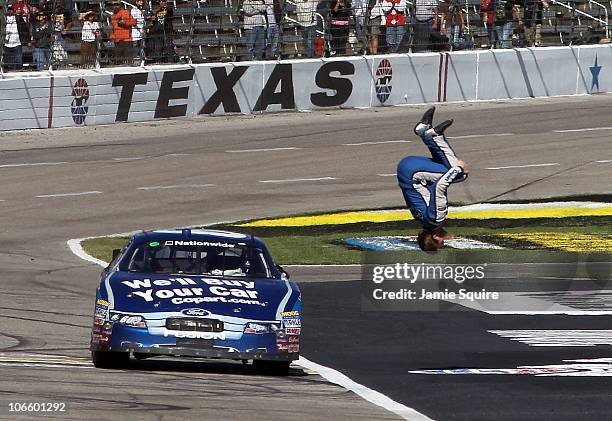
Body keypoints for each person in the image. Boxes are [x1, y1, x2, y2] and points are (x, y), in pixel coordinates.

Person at [396, 107, 470, 252]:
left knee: (460, 174)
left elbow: (439, 186)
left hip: (413, 171)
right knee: (446, 166)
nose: (444, 239)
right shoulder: (422, 220)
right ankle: (427, 132)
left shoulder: (435, 219)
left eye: (441, 241)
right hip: (405, 169)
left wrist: (459, 168)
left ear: (436, 237)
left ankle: (433, 136)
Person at [3, 4, 29, 71]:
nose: (10, 11)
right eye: (9, 10)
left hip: (17, 44)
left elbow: (25, 29)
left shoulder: (18, 18)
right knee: (8, 64)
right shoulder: (3, 19)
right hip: (7, 44)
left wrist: (28, 40)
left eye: (11, 10)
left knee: (18, 62)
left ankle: (18, 73)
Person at [111, 1, 136, 65]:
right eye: (114, 5)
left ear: (120, 5)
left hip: (126, 40)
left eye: (117, 4)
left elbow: (134, 22)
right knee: (118, 61)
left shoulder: (125, 12)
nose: (115, 6)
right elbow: (113, 28)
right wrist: (112, 35)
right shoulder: (113, 16)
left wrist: (125, 23)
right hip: (117, 40)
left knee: (128, 60)